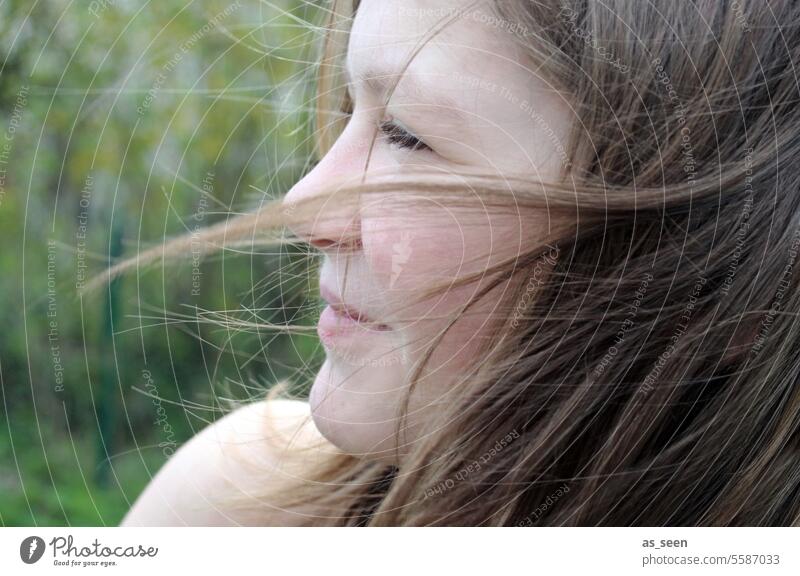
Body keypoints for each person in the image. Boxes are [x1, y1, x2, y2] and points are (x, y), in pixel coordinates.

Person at [121, 0, 800, 526]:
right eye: (350, 110)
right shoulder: (242, 508)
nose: (306, 210)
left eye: (408, 137)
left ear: (717, 291)